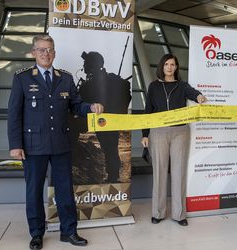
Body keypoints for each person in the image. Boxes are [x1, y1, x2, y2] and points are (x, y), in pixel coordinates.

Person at [7, 35, 104, 249]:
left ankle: (69, 231)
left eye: (49, 49)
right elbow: (14, 114)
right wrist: (15, 145)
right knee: (33, 191)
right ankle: (37, 234)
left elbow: (76, 105)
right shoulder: (22, 78)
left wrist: (90, 107)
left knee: (65, 189)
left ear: (55, 53)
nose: (46, 53)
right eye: (41, 50)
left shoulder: (65, 79)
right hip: (33, 145)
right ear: (33, 53)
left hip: (61, 143)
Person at [141, 54, 207, 226]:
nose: (170, 67)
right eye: (167, 64)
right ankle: (158, 212)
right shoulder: (154, 86)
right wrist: (144, 134)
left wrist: (199, 96)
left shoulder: (182, 85)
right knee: (159, 172)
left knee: (179, 172)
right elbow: (148, 111)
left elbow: (192, 93)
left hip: (180, 132)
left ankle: (179, 215)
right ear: (162, 67)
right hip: (158, 132)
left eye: (173, 64)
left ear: (176, 67)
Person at [69, 51, 131, 183]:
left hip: (100, 120)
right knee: (110, 148)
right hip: (105, 120)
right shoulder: (111, 79)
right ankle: (113, 176)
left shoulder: (92, 82)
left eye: (86, 63)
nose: (84, 66)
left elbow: (80, 102)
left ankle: (110, 176)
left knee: (109, 148)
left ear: (92, 65)